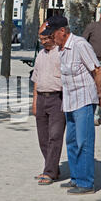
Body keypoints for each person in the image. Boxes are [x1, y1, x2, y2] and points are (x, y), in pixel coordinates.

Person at [42, 16, 101, 195]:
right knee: (71, 141)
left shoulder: (80, 45)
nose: (50, 38)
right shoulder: (61, 49)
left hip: (84, 100)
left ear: (62, 31)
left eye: (52, 34)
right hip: (69, 101)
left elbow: (98, 70)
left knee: (83, 141)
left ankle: (86, 183)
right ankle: (77, 177)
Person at [31, 21, 66, 185]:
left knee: (55, 136)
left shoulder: (61, 53)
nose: (43, 41)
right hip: (41, 98)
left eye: (46, 38)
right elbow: (36, 80)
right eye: (41, 39)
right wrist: (34, 102)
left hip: (57, 98)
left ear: (53, 36)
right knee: (43, 138)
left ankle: (49, 172)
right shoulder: (40, 55)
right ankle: (52, 168)